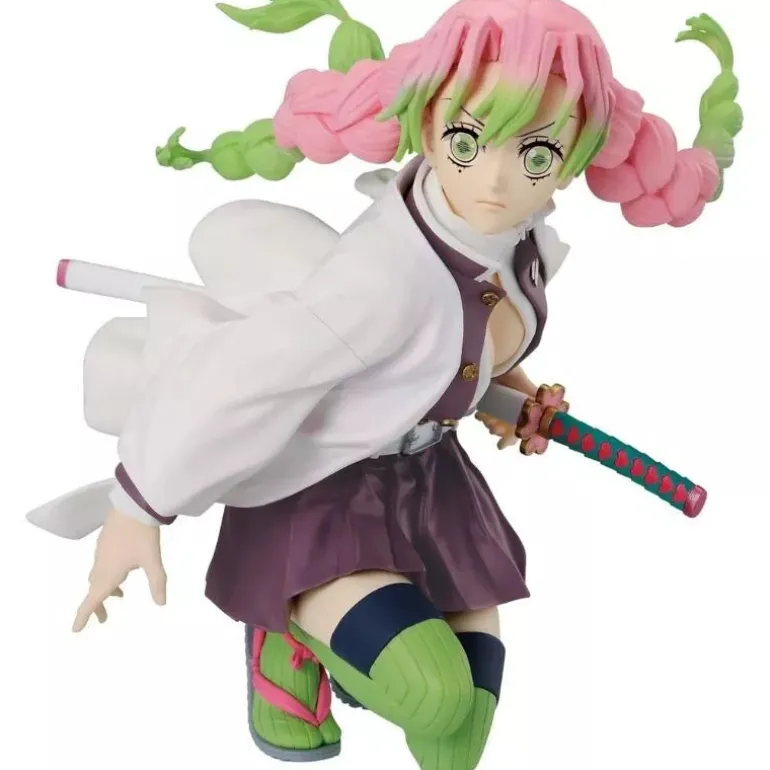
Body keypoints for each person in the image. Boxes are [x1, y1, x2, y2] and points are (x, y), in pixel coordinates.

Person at [29, 1, 741, 768]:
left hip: (434, 485)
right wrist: (138, 506)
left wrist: (509, 394)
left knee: (461, 732)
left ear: (574, 158)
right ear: (427, 123)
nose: (497, 179)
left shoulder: (520, 239)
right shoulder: (381, 281)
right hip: (325, 494)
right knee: (436, 696)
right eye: (466, 140)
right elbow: (237, 380)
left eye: (537, 154)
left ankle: (350, 644)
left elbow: (462, 347)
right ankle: (287, 632)